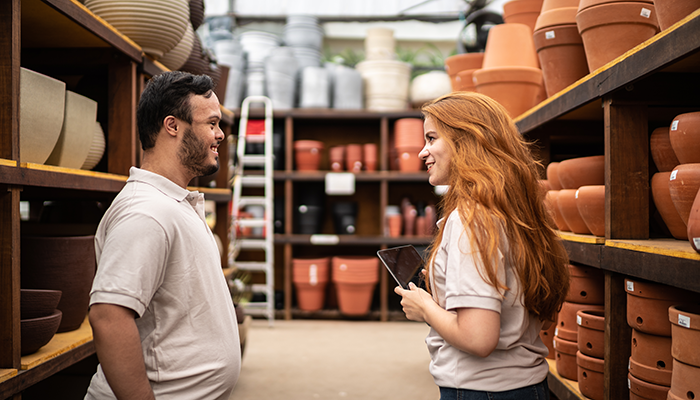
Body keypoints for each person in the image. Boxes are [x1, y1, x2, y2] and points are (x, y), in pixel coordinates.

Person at [395, 92, 570, 400]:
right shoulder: (514, 210)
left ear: (467, 140)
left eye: (432, 138)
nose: (422, 152)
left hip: (483, 391)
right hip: (524, 385)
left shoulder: (472, 220)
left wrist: (424, 306)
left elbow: (478, 338)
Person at [85, 71, 240, 400]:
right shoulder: (146, 212)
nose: (220, 135)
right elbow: (109, 316)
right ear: (173, 126)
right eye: (211, 123)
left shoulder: (172, 202)